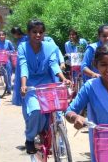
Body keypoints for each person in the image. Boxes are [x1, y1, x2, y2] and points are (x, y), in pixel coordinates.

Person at [18, 19, 70, 154]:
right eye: (34, 32)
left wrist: (64, 78)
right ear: (29, 33)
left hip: (47, 84)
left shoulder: (50, 47)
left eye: (41, 32)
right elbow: (23, 66)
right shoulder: (22, 47)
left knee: (56, 113)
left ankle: (56, 139)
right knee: (35, 111)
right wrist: (23, 85)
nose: (38, 35)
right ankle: (30, 138)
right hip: (31, 85)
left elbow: (53, 64)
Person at [0, 30, 16, 96]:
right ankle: (7, 87)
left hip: (7, 61)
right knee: (4, 75)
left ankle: (9, 89)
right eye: (0, 35)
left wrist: (7, 52)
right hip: (0, 61)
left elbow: (13, 50)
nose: (1, 36)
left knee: (8, 75)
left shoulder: (8, 42)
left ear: (5, 36)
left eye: (3, 35)